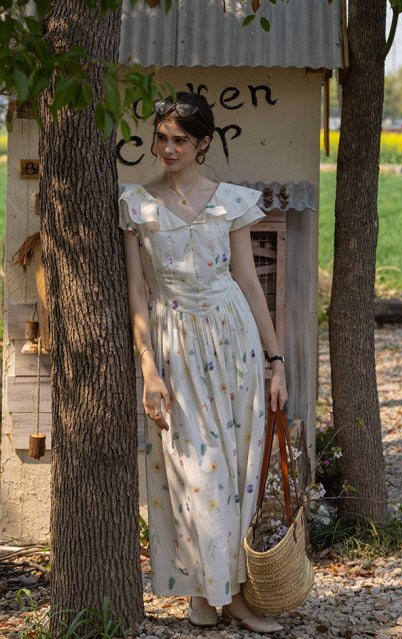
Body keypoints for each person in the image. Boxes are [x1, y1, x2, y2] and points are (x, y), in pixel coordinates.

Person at [119, 91, 287, 634]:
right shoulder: (137, 204)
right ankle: (200, 590)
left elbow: (249, 283)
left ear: (204, 143)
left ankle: (233, 595)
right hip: (174, 346)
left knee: (235, 474)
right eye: (161, 138)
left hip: (233, 342)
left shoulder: (232, 201)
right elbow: (137, 294)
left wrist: (275, 358)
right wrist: (148, 369)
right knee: (192, 471)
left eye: (180, 140)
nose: (167, 148)